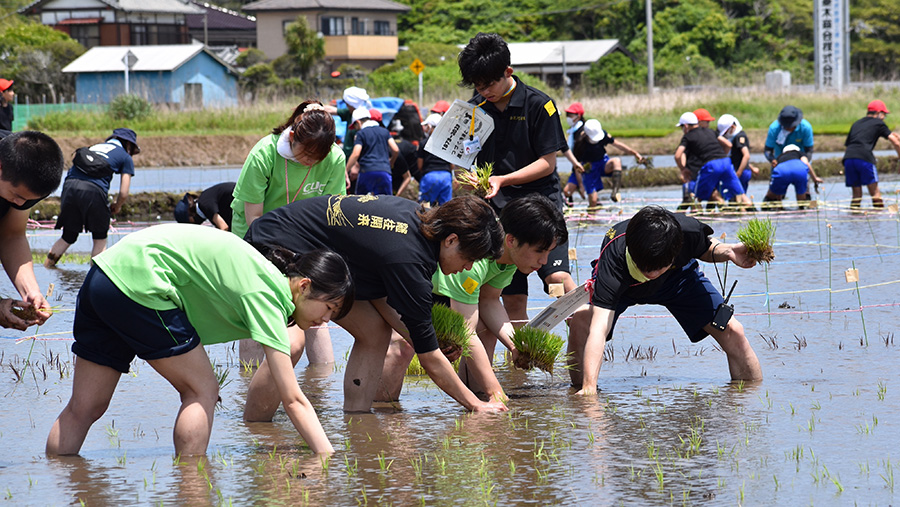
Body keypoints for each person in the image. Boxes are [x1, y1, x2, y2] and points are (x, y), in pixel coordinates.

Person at [45, 224, 354, 456]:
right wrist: (327, 458)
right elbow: (293, 399)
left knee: (85, 407)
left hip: (105, 276)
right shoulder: (267, 295)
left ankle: (59, 481)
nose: (326, 320)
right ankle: (193, 488)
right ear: (304, 286)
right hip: (141, 283)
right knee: (201, 390)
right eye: (329, 307)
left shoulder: (264, 281)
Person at [241, 194, 508, 414]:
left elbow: (381, 295)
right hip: (276, 245)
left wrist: (423, 338)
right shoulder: (410, 259)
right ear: (451, 240)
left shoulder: (419, 221)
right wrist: (476, 404)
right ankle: (257, 429)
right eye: (469, 258)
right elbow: (430, 360)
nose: (468, 268)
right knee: (292, 344)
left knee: (373, 331)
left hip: (314, 246)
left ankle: (357, 418)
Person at [378, 194, 569, 402]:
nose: (544, 261)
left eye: (548, 252)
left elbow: (489, 300)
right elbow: (467, 332)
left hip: (448, 292)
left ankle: (480, 399)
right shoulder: (476, 258)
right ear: (511, 240)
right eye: (538, 251)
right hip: (415, 283)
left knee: (486, 329)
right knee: (402, 345)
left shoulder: (509, 260)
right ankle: (381, 411)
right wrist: (497, 392)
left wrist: (514, 345)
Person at [567, 205, 763, 395]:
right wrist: (589, 389)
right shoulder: (614, 258)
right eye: (646, 268)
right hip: (625, 286)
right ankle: (582, 391)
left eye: (658, 267)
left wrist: (728, 252)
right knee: (583, 323)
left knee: (733, 330)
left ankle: (752, 397)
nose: (651, 274)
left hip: (676, 279)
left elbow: (706, 248)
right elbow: (600, 327)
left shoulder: (688, 232)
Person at [457, 32, 577, 329]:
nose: (484, 91)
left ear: (508, 72)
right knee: (509, 293)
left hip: (541, 206)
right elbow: (462, 158)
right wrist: (468, 180)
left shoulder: (539, 105)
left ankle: (584, 334)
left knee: (557, 279)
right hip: (499, 210)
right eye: (477, 85)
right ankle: (520, 363)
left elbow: (547, 164)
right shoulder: (473, 110)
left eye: (489, 84)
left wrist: (503, 179)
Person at [231, 100, 346, 364]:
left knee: (316, 300)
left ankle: (320, 384)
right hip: (256, 234)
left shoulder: (335, 158)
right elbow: (254, 219)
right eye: (306, 155)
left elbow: (332, 212)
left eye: (317, 158)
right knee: (256, 305)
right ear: (292, 137)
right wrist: (281, 261)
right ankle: (249, 378)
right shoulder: (264, 153)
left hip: (305, 236)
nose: (310, 164)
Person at [45, 128, 138, 267]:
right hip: (94, 191)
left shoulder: (92, 148)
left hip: (69, 187)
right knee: (99, 238)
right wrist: (117, 206)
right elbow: (124, 192)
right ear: (129, 145)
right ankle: (93, 281)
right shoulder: (125, 156)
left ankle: (47, 268)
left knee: (68, 236)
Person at [0, 130, 64, 330]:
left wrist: (31, 292)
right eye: (16, 194)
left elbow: (11, 235)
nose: (19, 203)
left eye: (28, 200)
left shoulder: (21, 167)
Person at [674, 112, 749, 209]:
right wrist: (722, 156)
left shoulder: (688, 137)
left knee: (696, 199)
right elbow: (728, 145)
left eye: (681, 128)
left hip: (711, 165)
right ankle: (745, 214)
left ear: (685, 126)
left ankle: (700, 220)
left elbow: (677, 155)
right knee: (742, 197)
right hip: (726, 162)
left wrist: (683, 169)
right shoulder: (710, 131)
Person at [564, 119, 644, 208]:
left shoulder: (603, 135)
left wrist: (635, 153)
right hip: (588, 169)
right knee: (593, 201)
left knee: (616, 161)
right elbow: (577, 167)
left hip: (602, 163)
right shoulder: (580, 144)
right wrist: (581, 185)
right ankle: (592, 216)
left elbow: (618, 145)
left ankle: (615, 192)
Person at [842, 100, 900, 208]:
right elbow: (896, 142)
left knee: (856, 196)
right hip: (864, 158)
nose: (884, 118)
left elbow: (848, 145)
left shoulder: (857, 123)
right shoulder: (879, 123)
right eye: (884, 115)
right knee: (875, 193)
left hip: (848, 158)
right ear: (879, 113)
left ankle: (854, 219)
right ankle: (878, 220)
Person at [345, 107, 399, 196]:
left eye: (355, 126)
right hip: (384, 171)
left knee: (360, 203)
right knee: (386, 204)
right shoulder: (384, 131)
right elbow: (395, 149)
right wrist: (390, 163)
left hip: (366, 172)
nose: (356, 129)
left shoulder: (361, 134)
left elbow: (356, 154)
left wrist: (346, 170)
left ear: (358, 122)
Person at [763, 144, 822, 209]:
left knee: (773, 196)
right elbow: (806, 163)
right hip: (799, 169)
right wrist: (815, 178)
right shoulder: (800, 153)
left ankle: (778, 207)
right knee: (802, 201)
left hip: (782, 170)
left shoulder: (780, 157)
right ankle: (804, 208)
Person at [716, 114, 759, 204]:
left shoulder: (739, 137)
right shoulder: (734, 137)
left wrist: (738, 173)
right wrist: (752, 168)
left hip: (740, 172)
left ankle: (744, 213)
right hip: (741, 170)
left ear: (732, 127)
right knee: (736, 198)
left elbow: (746, 155)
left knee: (738, 197)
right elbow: (739, 157)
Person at [416, 113, 454, 206]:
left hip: (430, 176)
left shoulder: (423, 143)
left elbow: (420, 165)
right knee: (446, 207)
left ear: (429, 126)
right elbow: (452, 165)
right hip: (446, 176)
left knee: (424, 207)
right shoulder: (448, 142)